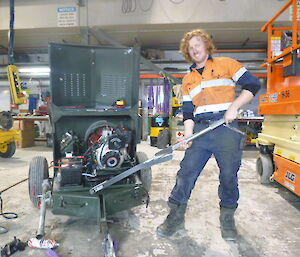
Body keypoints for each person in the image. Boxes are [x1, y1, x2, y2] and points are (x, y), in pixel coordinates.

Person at [156, 29, 261, 241]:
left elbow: (253, 84)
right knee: (186, 173)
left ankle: (227, 219)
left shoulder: (227, 64)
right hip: (200, 131)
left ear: (206, 45)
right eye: (190, 47)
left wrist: (235, 107)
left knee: (228, 176)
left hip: (226, 128)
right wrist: (187, 134)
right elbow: (187, 112)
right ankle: (175, 216)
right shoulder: (187, 80)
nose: (194, 49)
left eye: (197, 45)